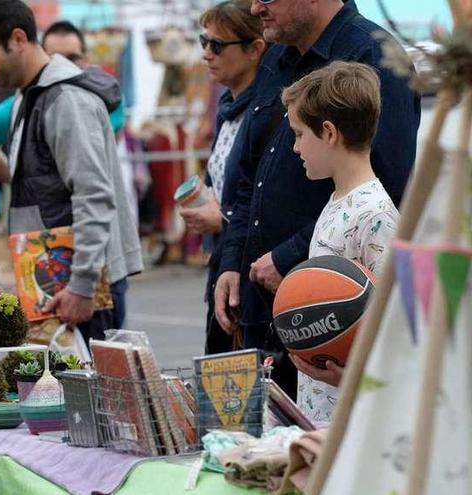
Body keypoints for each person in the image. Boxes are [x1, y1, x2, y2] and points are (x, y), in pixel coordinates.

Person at [212, 0, 420, 397]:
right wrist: (231, 260)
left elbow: (390, 181)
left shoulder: (376, 57)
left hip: (324, 329)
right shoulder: (277, 57)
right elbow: (250, 177)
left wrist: (290, 257)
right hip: (264, 313)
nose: (255, 8)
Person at [0, 0, 143, 342]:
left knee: (95, 393)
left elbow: (94, 196)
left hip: (84, 290)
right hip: (55, 283)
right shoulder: (25, 100)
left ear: (17, 39)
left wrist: (82, 285)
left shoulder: (66, 100)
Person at [281, 61, 398, 423]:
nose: (295, 147)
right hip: (320, 407)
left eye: (299, 134)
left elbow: (394, 324)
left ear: (329, 133)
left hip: (354, 413)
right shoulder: (337, 200)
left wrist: (351, 377)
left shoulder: (375, 213)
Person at [179, 0, 268, 355]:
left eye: (217, 45)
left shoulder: (264, 112)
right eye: (203, 42)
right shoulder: (228, 109)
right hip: (222, 263)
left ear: (254, 49)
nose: (206, 54)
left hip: (248, 270)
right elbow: (226, 183)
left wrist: (222, 217)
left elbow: (259, 195)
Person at [0, 20, 126, 184]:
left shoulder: (108, 98)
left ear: (85, 60)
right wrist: (18, 182)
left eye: (72, 58)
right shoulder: (23, 105)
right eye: (55, 59)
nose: (64, 66)